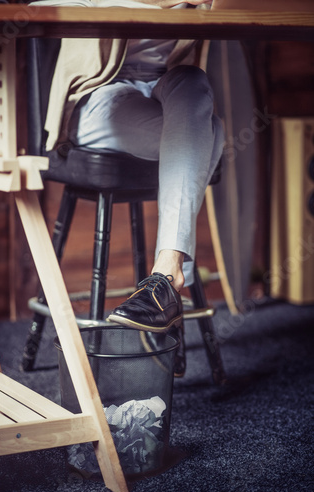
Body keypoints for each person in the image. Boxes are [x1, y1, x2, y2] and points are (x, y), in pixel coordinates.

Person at [35, 0, 224, 337]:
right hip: (97, 95)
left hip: (159, 87)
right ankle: (174, 282)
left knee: (194, 83)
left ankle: (166, 276)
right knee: (211, 133)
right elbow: (44, 5)